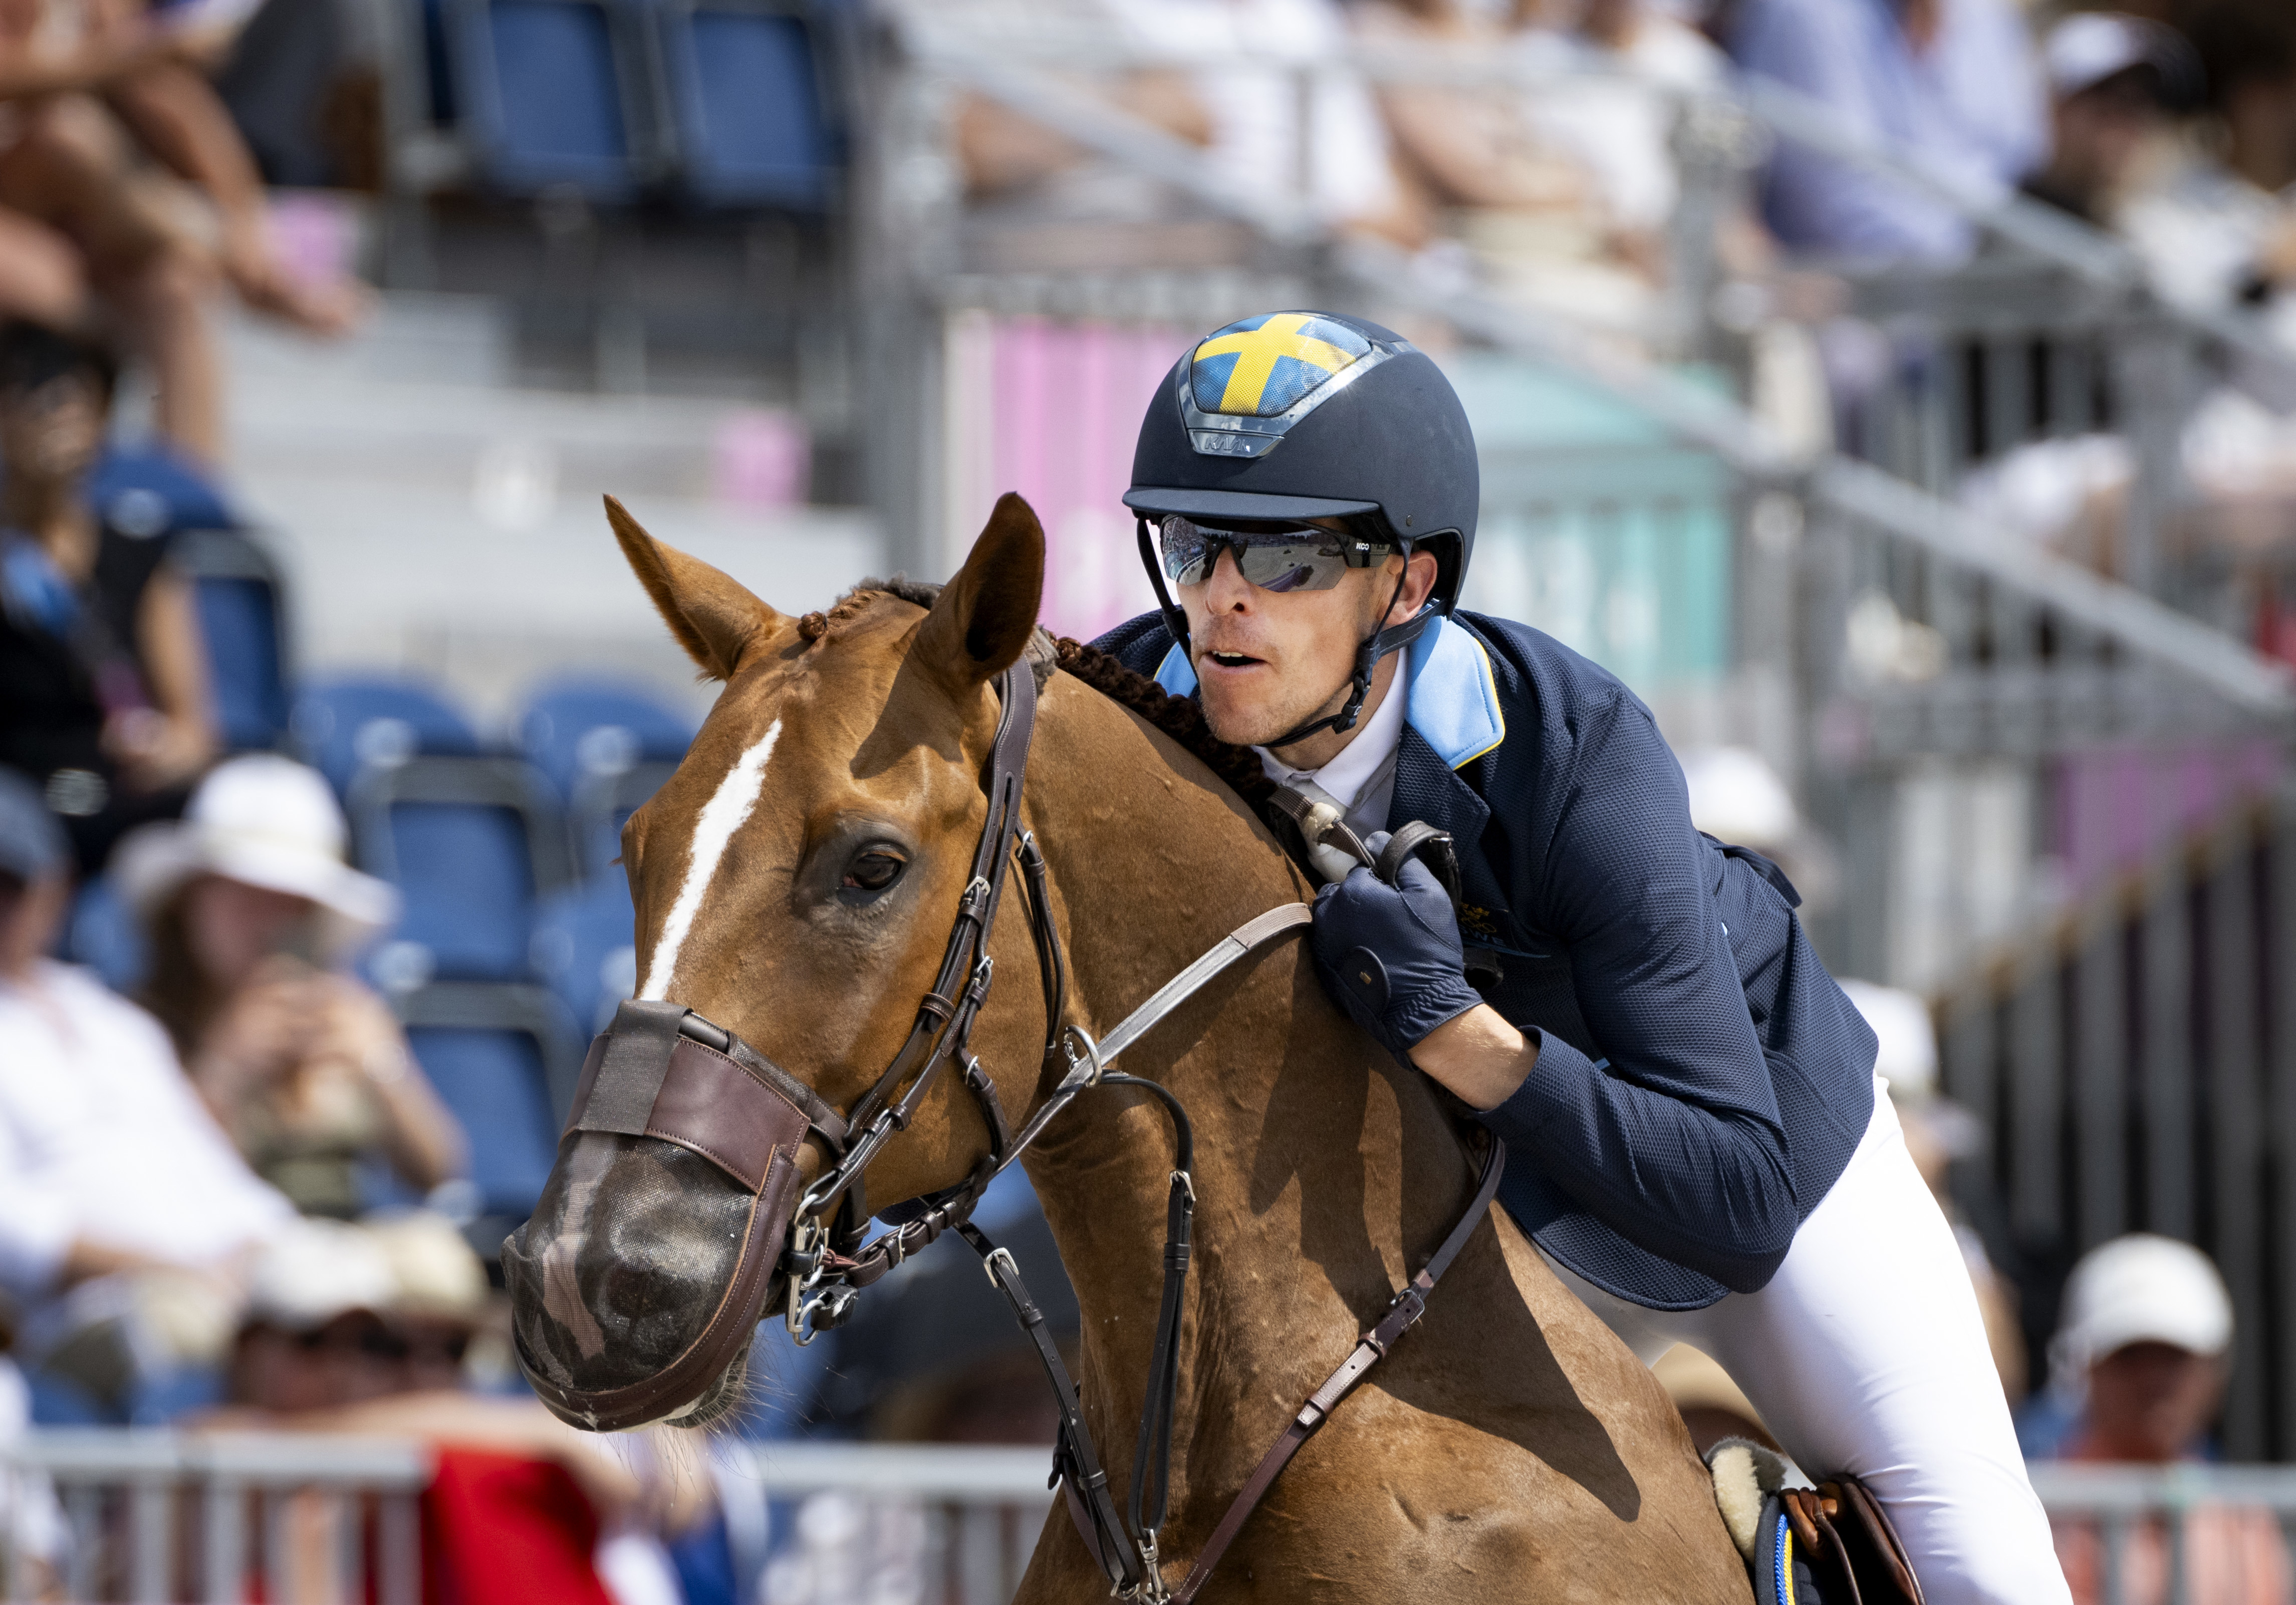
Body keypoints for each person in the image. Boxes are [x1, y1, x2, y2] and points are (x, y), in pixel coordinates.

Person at [1093, 309, 2069, 1604]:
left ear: (1405, 584)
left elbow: (1735, 1202)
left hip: (1755, 1160)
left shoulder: (1568, 749)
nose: (1219, 593)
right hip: (1464, 1208)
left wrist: (1460, 1034)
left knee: (1986, 1577)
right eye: (1193, 539)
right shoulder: (1132, 722)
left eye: (1279, 552)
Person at [0, 764, 293, 1417]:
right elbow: (16, 1231)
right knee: (198, 1325)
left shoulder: (116, 1024)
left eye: (10, 886)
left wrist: (266, 1253)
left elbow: (213, 1174)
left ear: (53, 892)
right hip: (96, 1318)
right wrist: (176, 1268)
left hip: (212, 1288)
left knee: (407, 1283)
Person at [115, 754, 467, 1218]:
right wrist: (225, 1068)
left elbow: (439, 1170)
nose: (269, 923)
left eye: (291, 903)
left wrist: (380, 1065)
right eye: (247, 894)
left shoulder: (342, 1009)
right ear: (190, 899)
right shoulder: (132, 1027)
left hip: (344, 1253)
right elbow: (141, 1186)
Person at [0, 321, 216, 872]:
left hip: (120, 797)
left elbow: (193, 729)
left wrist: (164, 751)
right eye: (38, 397)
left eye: (80, 398)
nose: (61, 417)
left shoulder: (141, 556)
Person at [2036, 1235, 2284, 1605]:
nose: (2153, 1380)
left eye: (2174, 1358)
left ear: (2214, 1370)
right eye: (2129, 1355)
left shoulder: (2243, 1523)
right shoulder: (2036, 1520)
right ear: (2084, 1368)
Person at [1725, 0, 2047, 262]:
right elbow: (1832, 197)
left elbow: (2019, 158)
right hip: (1838, 305)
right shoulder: (1808, 13)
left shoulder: (1989, 21)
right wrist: (1964, 264)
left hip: (1987, 300)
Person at [2021, 14, 2199, 226]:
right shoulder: (1982, 194)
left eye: (2142, 111)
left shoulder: (2151, 238)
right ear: (2051, 101)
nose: (2126, 132)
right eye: (2107, 108)